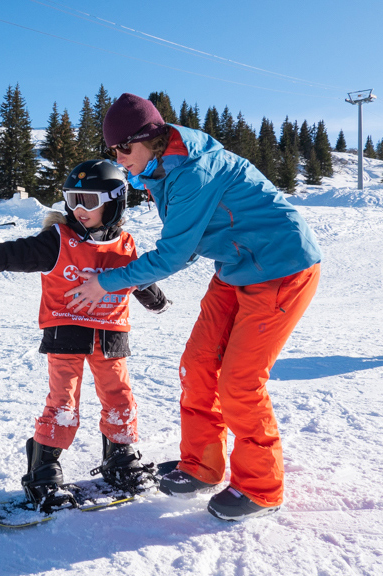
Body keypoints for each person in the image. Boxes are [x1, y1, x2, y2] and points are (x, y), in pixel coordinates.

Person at [65, 93, 322, 521]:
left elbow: (172, 255)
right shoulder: (157, 168)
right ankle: (202, 466)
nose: (119, 158)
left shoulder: (194, 172)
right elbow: (175, 242)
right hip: (237, 266)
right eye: (113, 150)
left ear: (151, 136)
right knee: (198, 364)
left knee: (239, 382)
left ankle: (261, 488)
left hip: (281, 266)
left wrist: (108, 283)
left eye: (124, 149)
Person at [0, 160, 171, 511]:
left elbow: (140, 278)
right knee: (63, 403)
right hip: (67, 329)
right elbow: (7, 254)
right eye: (72, 199)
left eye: (88, 200)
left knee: (120, 398)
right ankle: (43, 470)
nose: (78, 209)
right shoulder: (57, 241)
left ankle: (120, 457)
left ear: (115, 201)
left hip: (112, 334)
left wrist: (157, 302)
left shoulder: (126, 245)